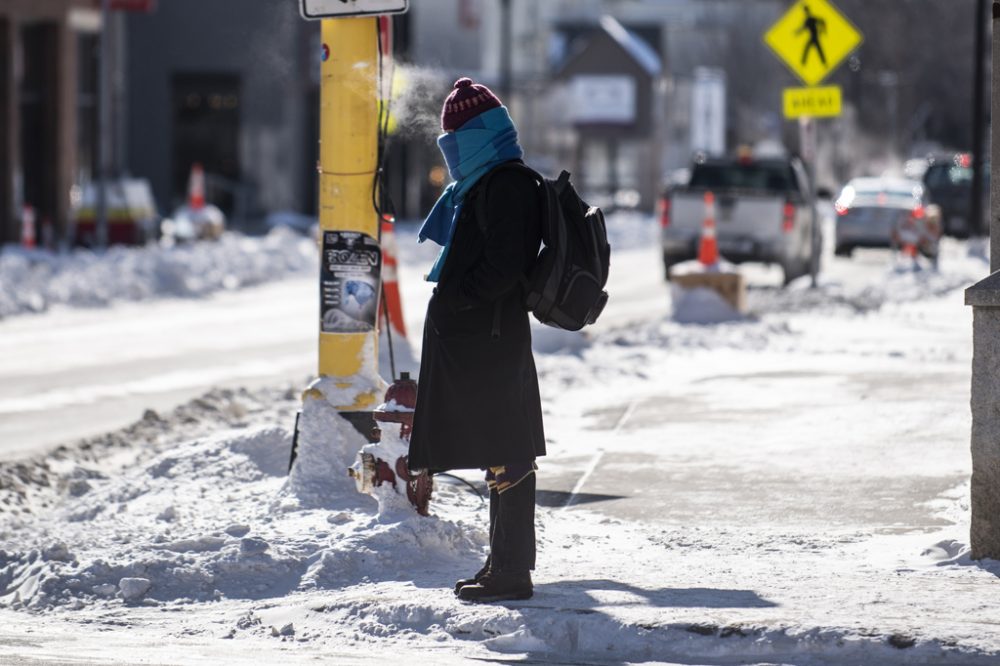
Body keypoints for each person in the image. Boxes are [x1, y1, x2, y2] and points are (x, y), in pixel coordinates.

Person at [407, 78, 545, 603]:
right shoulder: (490, 181)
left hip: (490, 339)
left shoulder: (507, 183)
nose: (451, 151)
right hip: (482, 338)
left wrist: (458, 294)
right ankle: (502, 564)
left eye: (455, 139)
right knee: (499, 452)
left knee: (508, 452)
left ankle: (512, 571)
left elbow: (502, 265)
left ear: (477, 136)